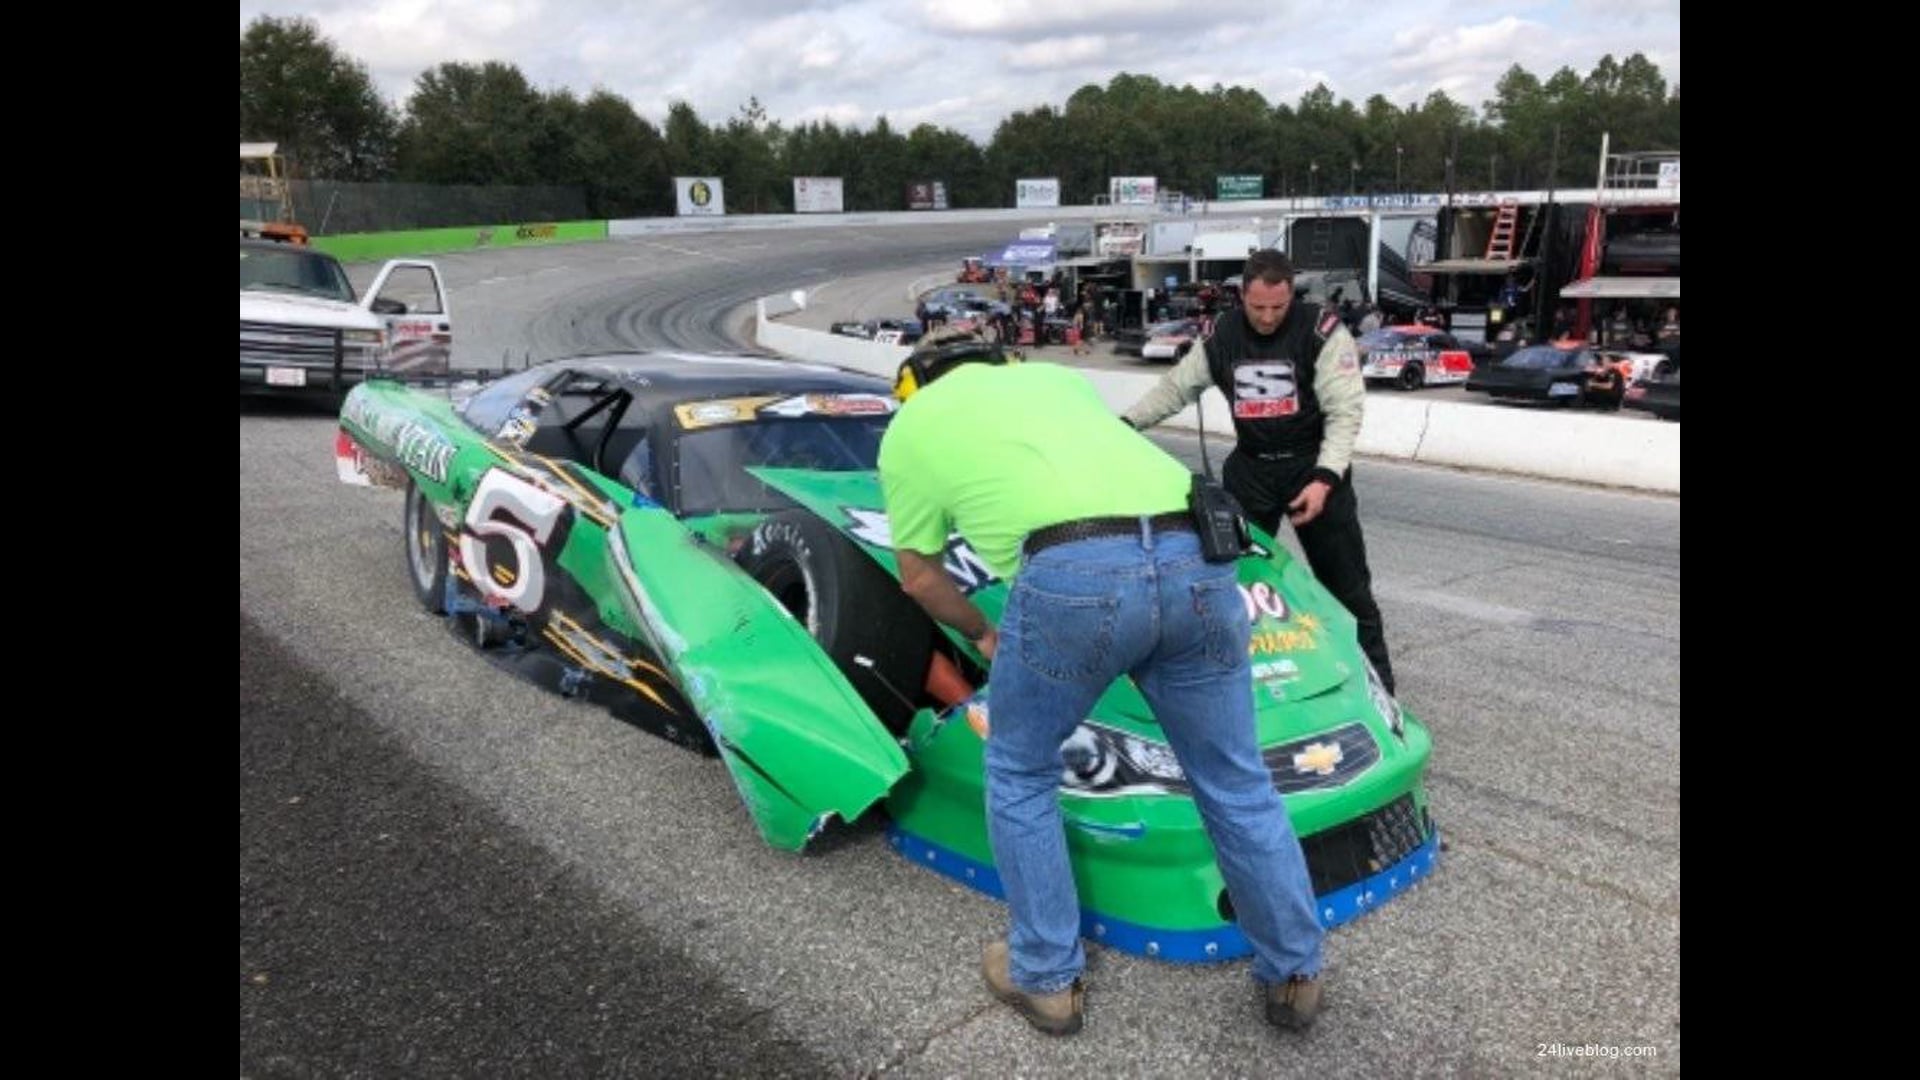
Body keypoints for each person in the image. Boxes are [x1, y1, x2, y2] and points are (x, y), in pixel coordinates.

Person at [878, 327, 1326, 1037]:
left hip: (1073, 576)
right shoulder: (1058, 380)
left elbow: (919, 576)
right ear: (1001, 361)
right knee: (1237, 779)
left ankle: (1047, 976)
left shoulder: (910, 426)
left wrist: (982, 631)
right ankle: (1295, 970)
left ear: (915, 381)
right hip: (1197, 559)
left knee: (1021, 767)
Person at [1123, 249, 1396, 693]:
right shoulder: (1221, 333)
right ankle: (1238, 689)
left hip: (1314, 469)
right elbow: (1175, 389)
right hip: (1250, 471)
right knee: (1229, 589)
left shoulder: (1322, 330)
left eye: (1278, 307)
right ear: (1241, 297)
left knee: (1349, 593)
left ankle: (1380, 692)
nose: (1267, 317)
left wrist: (1326, 478)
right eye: (1257, 307)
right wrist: (1124, 425)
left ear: (1292, 295)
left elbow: (1346, 412)